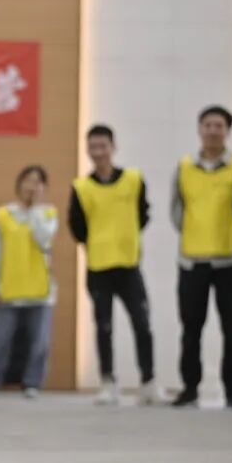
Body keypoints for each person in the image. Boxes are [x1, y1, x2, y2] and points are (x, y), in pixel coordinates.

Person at [69, 125, 161, 405]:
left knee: (142, 323)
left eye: (103, 146)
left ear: (113, 147)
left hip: (129, 265)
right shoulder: (81, 188)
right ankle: (108, 382)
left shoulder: (133, 180)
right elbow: (77, 226)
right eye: (93, 147)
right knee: (103, 327)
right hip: (98, 266)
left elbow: (143, 214)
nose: (98, 152)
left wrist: (125, 237)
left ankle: (148, 382)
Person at [169, 106, 232, 408]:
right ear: (199, 129)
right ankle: (190, 388)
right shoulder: (185, 166)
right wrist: (191, 230)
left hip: (230, 260)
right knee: (191, 328)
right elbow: (176, 208)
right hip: (192, 260)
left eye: (219, 126)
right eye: (208, 125)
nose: (213, 131)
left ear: (228, 131)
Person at [0, 165, 58, 398]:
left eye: (37, 182)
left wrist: (34, 210)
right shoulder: (4, 214)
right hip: (9, 289)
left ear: (44, 188)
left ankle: (32, 383)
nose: (31, 186)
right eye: (28, 180)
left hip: (40, 289)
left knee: (39, 342)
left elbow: (44, 240)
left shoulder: (48, 214)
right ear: (19, 184)